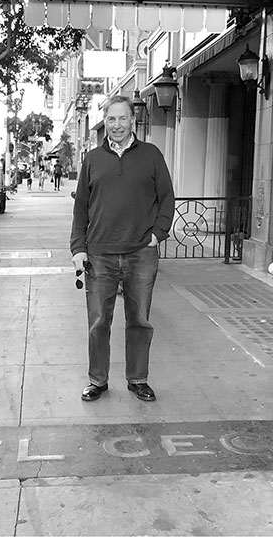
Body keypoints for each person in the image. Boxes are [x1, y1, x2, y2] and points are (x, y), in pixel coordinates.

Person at [70, 94, 175, 403]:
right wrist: (78, 247)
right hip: (99, 253)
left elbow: (167, 198)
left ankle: (138, 379)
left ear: (133, 121)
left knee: (140, 320)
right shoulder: (92, 159)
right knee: (98, 322)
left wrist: (159, 234)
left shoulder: (152, 155)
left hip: (141, 252)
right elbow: (81, 209)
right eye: (111, 119)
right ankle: (97, 380)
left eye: (122, 118)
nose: (116, 125)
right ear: (106, 122)